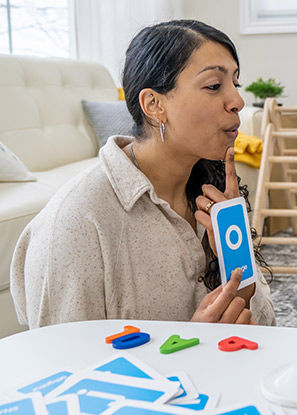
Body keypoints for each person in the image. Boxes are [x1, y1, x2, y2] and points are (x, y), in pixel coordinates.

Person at [11, 20, 276, 328]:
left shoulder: (214, 197)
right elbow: (64, 366)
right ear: (154, 104)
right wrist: (192, 342)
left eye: (235, 84)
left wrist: (236, 254)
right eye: (214, 86)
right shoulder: (77, 222)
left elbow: (266, 330)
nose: (238, 102)